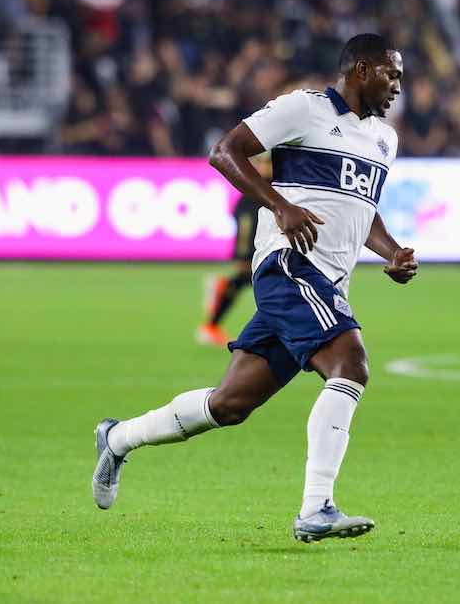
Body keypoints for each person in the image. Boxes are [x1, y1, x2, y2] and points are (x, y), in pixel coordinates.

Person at [92, 34, 416, 542]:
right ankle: (317, 508)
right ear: (359, 70)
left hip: (326, 283)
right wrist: (277, 204)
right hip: (287, 266)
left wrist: (391, 251)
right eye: (390, 73)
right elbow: (225, 151)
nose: (398, 85)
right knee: (351, 364)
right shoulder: (302, 110)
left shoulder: (383, 139)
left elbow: (361, 207)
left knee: (229, 404)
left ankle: (118, 438)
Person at [196, 154, 272, 347]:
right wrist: (243, 253)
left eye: (267, 163)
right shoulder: (251, 194)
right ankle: (212, 322)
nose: (263, 167)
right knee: (249, 275)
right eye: (260, 163)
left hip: (267, 235)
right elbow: (245, 223)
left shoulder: (271, 186)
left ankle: (214, 318)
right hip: (254, 235)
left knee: (251, 279)